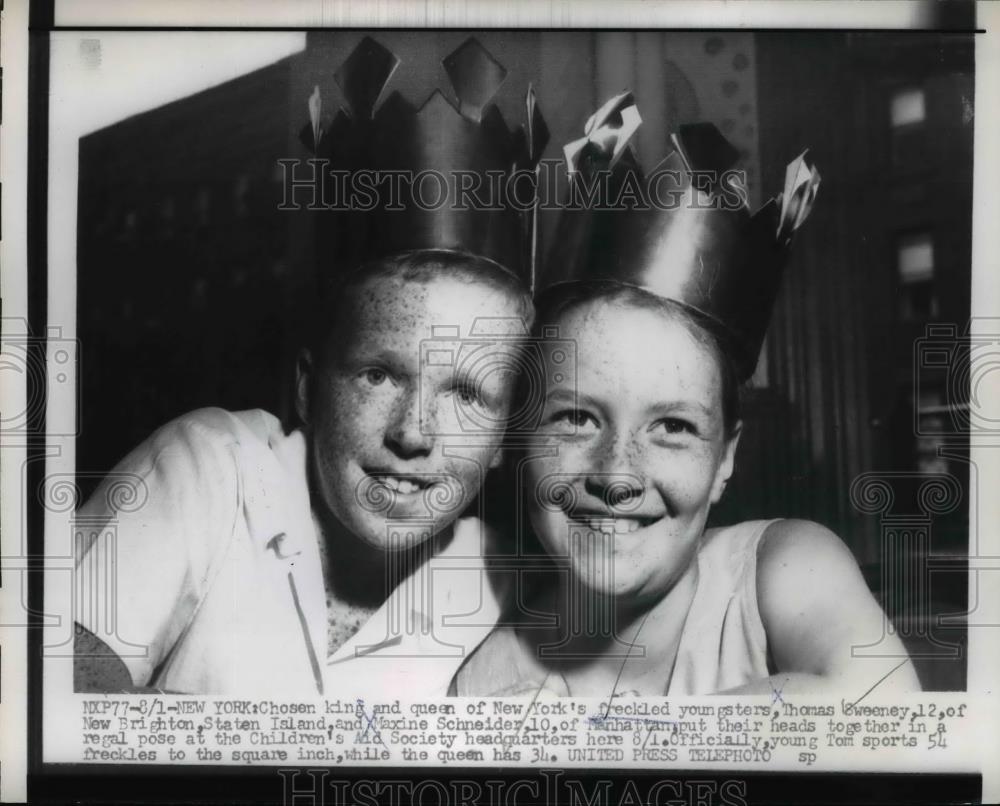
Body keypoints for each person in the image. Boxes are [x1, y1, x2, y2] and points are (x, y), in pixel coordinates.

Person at [73, 36, 546, 696]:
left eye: (467, 393)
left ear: (502, 434)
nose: (414, 434)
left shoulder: (510, 595)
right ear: (307, 385)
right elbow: (56, 721)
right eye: (379, 374)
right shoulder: (210, 468)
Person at [452, 94, 921, 697]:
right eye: (576, 418)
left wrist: (584, 744)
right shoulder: (485, 684)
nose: (617, 476)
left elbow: (887, 716)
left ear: (725, 457)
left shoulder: (783, 568)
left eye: (672, 426)